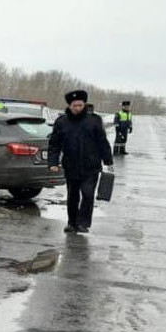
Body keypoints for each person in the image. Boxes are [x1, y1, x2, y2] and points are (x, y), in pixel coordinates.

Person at [48, 90, 114, 234]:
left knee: (88, 194)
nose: (77, 108)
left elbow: (102, 142)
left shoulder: (94, 121)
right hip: (71, 166)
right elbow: (54, 144)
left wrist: (108, 160)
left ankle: (83, 223)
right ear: (70, 106)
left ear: (84, 105)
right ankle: (72, 223)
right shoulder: (62, 122)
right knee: (72, 196)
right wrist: (53, 162)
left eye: (80, 105)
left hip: (91, 166)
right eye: (74, 105)